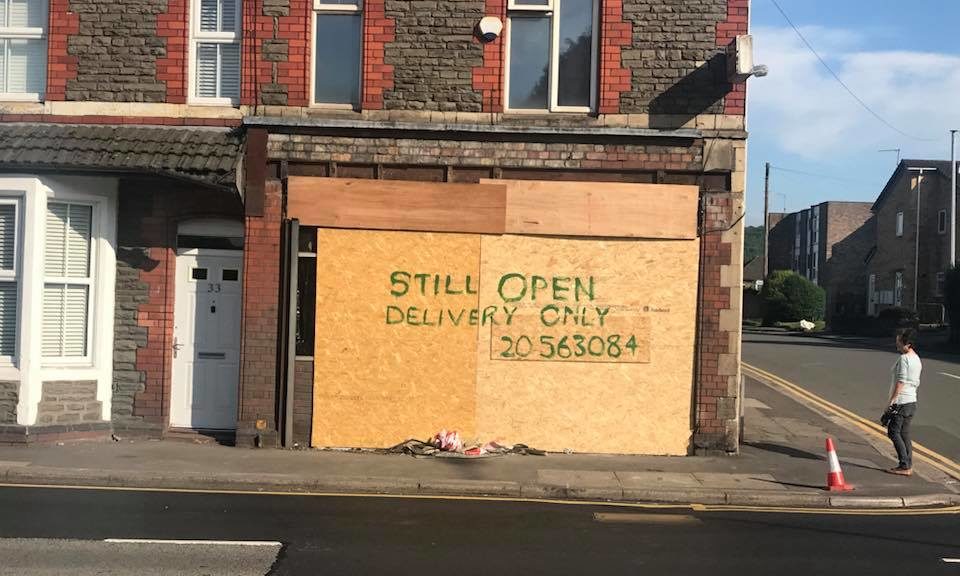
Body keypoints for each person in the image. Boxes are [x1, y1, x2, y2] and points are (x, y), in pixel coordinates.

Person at [885, 328, 921, 476]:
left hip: (902, 401)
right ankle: (908, 464)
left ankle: (904, 465)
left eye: (899, 342)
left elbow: (901, 381)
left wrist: (892, 401)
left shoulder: (904, 359)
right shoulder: (916, 358)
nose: (897, 345)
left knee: (893, 432)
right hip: (912, 401)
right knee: (904, 433)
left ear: (908, 344)